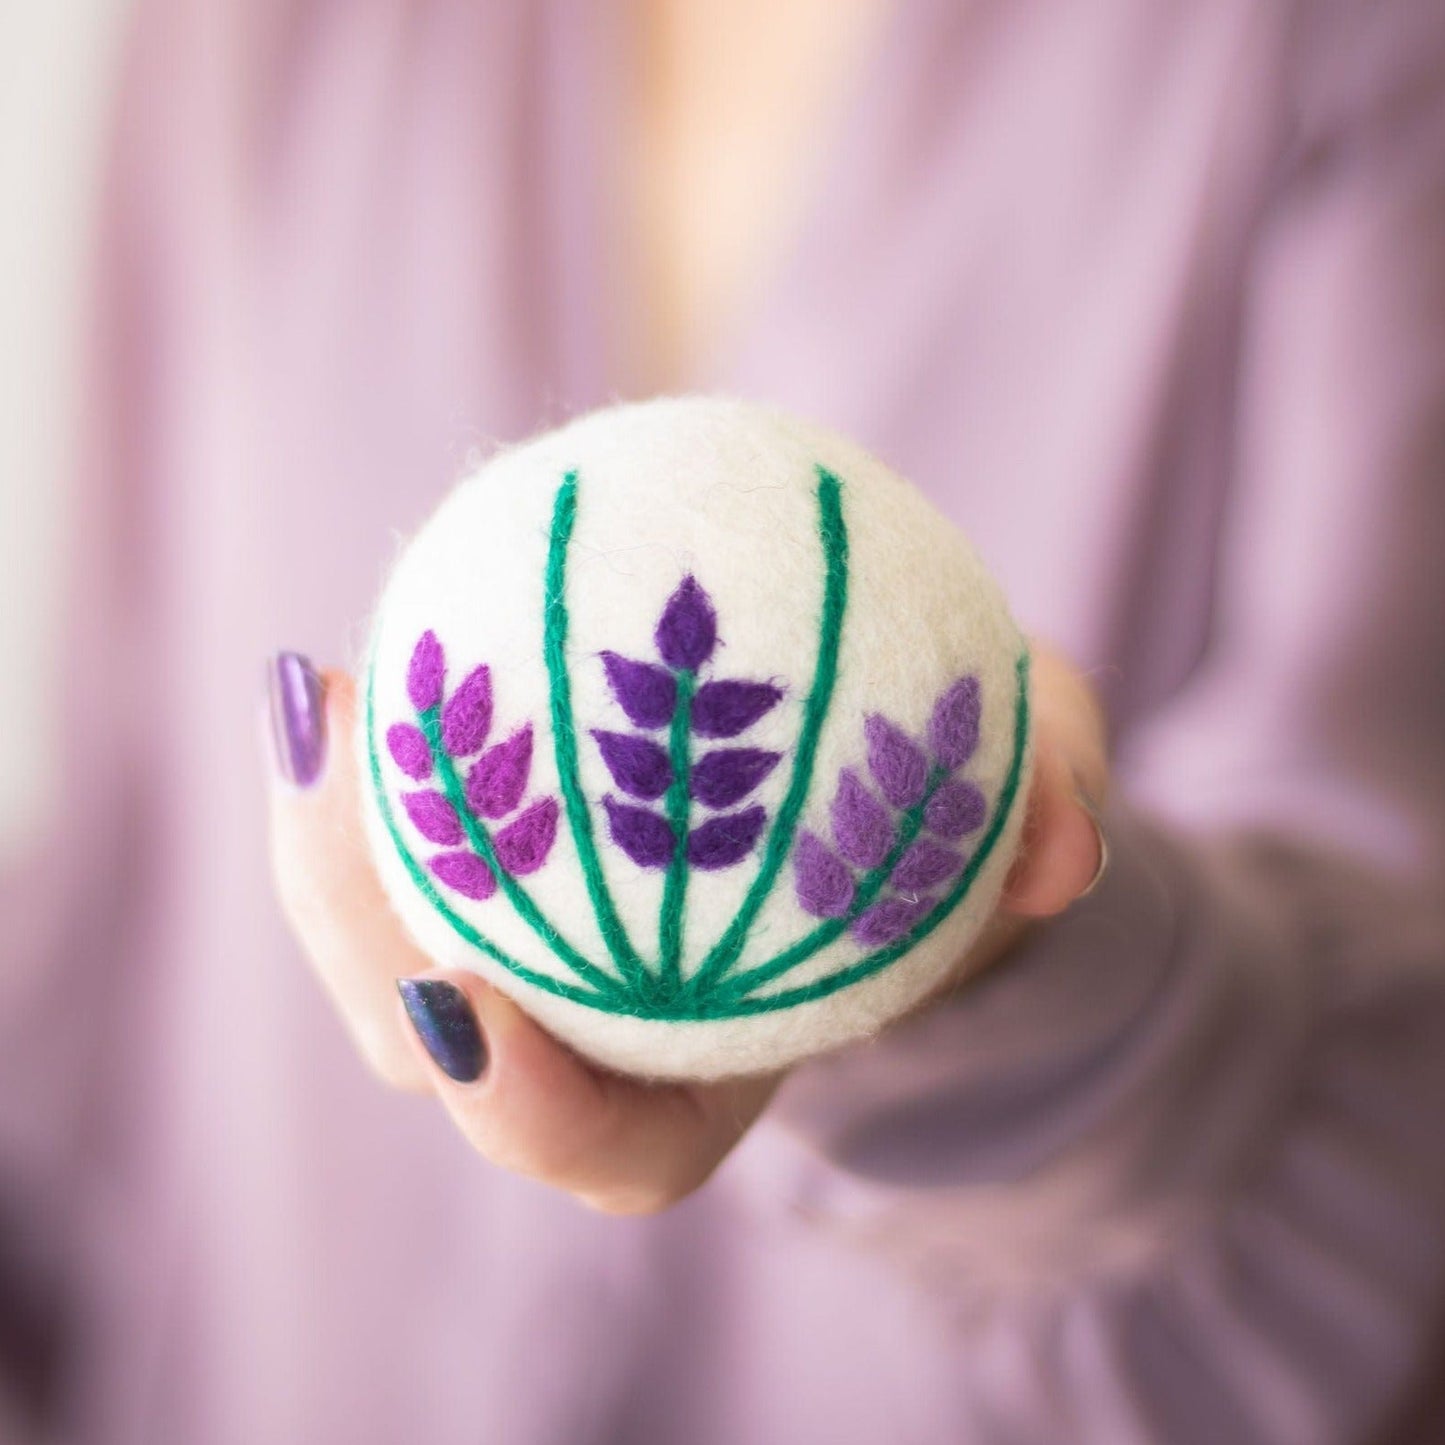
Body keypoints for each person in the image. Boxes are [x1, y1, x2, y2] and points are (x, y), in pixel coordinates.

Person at [3, 0, 1444, 1440]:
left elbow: (1392, 1101)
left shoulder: (1352, 45)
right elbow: (123, 888)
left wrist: (1006, 989)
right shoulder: (245, 32)